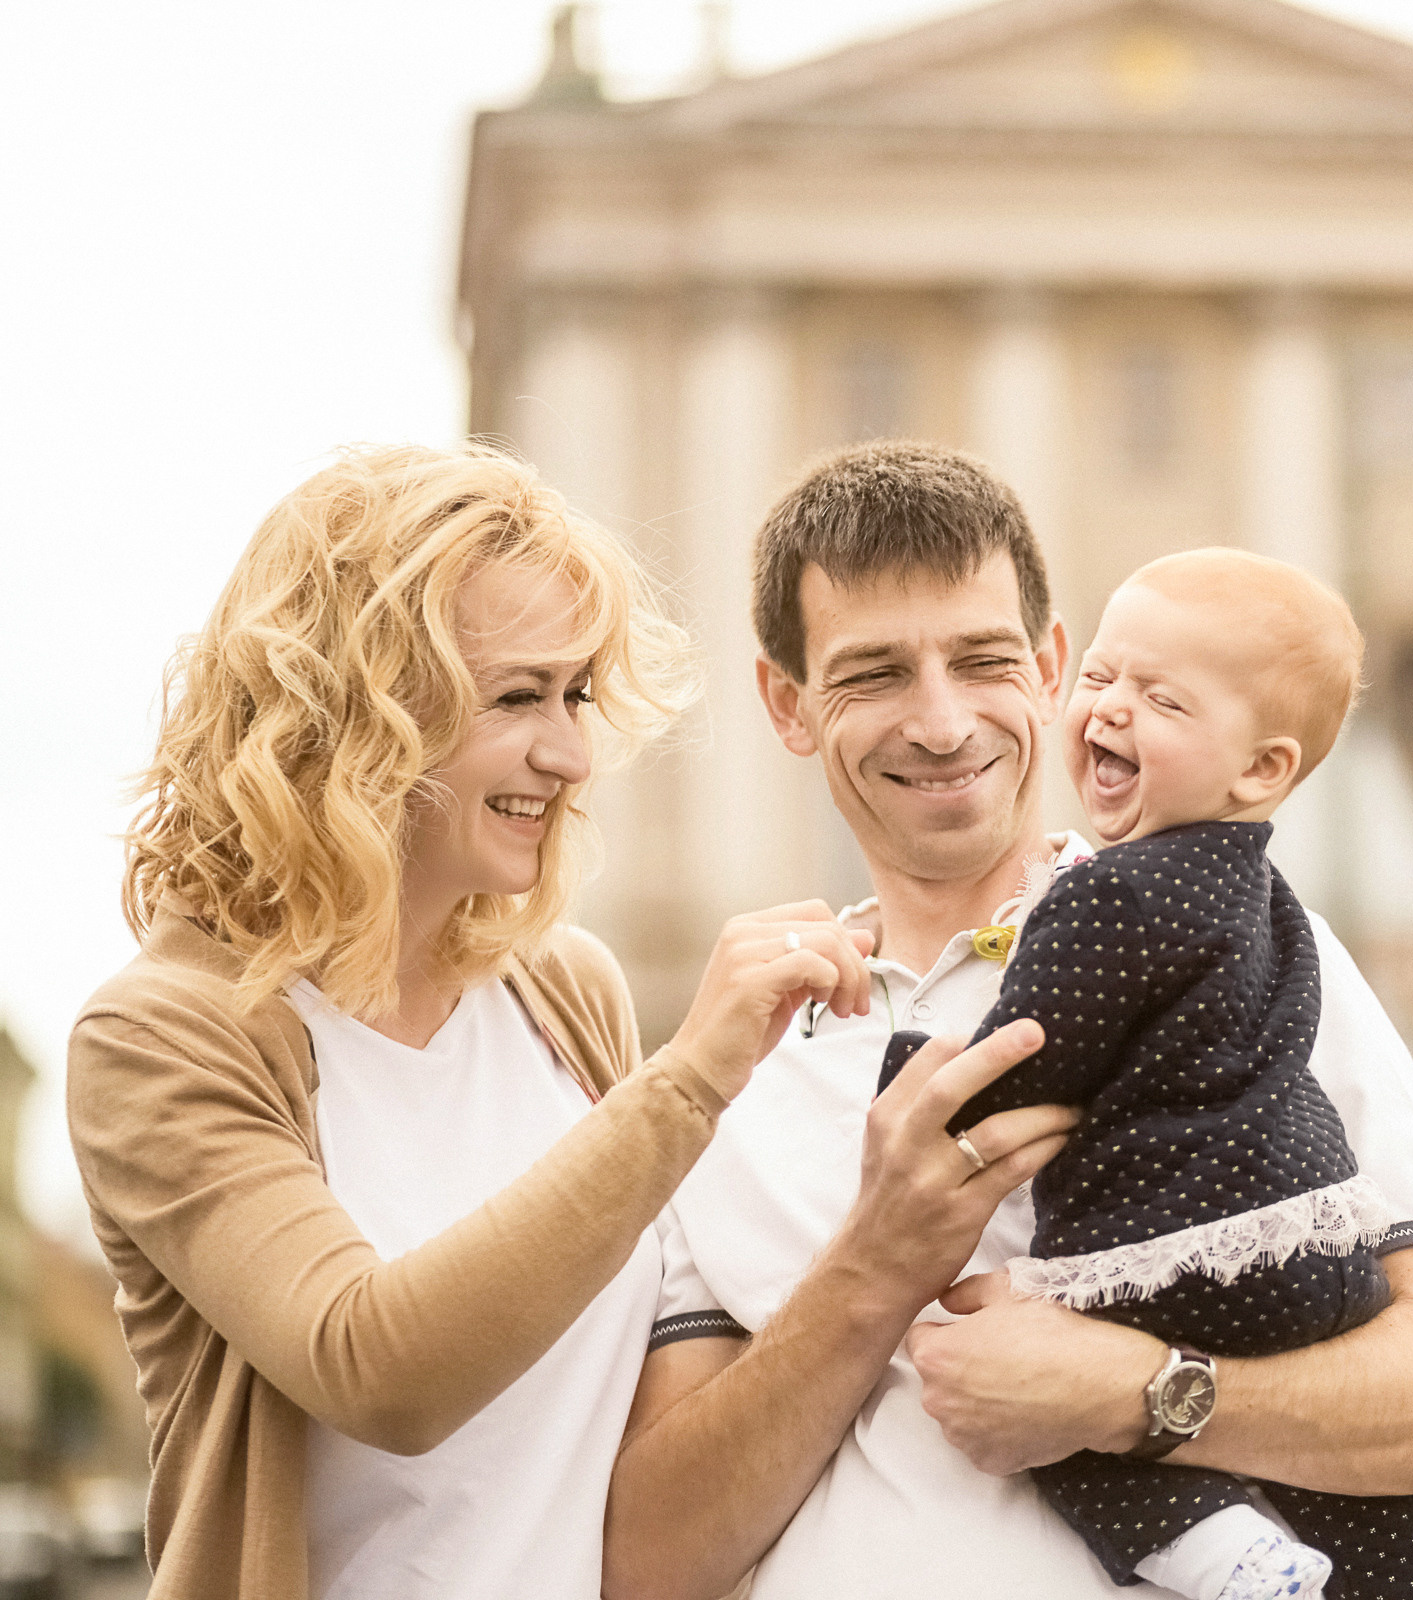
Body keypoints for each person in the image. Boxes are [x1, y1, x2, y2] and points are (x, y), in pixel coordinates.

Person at [66, 444, 1065, 1600]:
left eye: (576, 694)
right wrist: (691, 1081)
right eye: (518, 697)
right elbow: (376, 1366)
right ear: (356, 710)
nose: (572, 752)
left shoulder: (563, 992)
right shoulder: (163, 1036)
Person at [604, 442, 1413, 1600]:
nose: (942, 722)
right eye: (874, 674)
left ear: (1051, 666)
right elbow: (647, 1564)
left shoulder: (1241, 942)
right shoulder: (729, 1063)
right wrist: (870, 1272)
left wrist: (1133, 1394)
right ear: (788, 704)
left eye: (983, 660)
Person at [876, 546, 1413, 1600]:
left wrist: (905, 1058)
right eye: (1100, 676)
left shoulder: (1108, 896)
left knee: (1041, 1402)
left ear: (1261, 769)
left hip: (1176, 1249)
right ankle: (1409, 1580)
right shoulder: (1270, 898)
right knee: (1367, 1498)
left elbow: (1020, 1061)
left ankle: (1227, 1557)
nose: (1111, 707)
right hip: (1316, 1244)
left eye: (1163, 699)